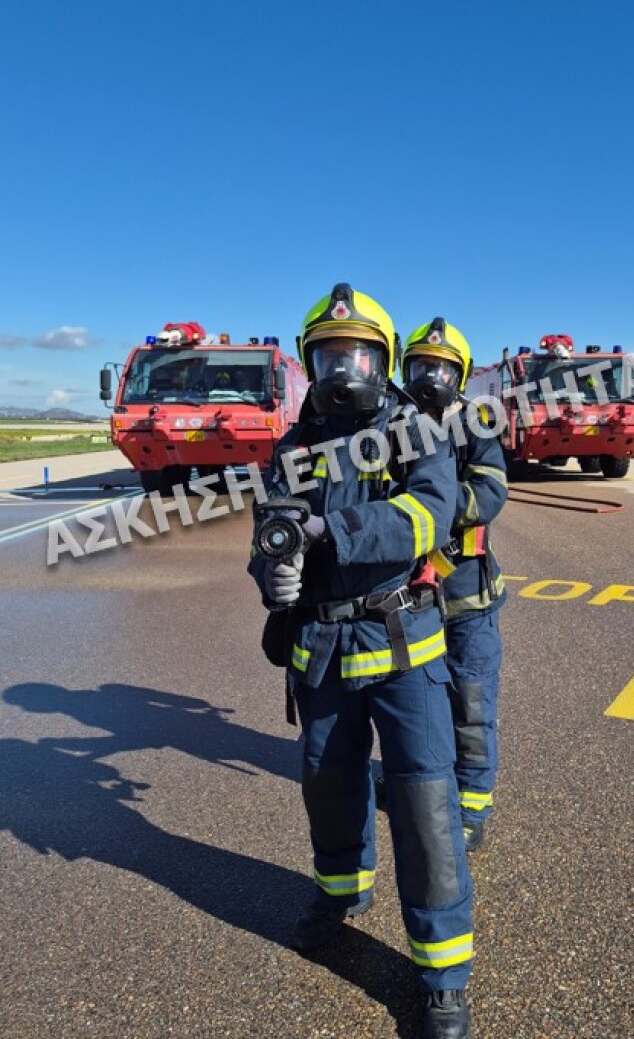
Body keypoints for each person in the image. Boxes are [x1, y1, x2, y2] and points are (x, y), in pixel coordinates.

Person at [248, 283, 474, 1039]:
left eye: (356, 352)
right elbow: (273, 530)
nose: (342, 364)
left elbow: (425, 516)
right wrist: (271, 570)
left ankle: (442, 974)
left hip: (403, 643)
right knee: (328, 782)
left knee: (422, 804)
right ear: (312, 360)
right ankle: (340, 893)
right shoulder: (294, 445)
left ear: (381, 359)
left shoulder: (416, 431)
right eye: (329, 352)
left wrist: (329, 531)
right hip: (320, 645)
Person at [399, 317, 508, 853]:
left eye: (442, 367)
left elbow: (490, 493)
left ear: (460, 374)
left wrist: (433, 507)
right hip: (410, 597)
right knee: (420, 702)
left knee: (470, 699)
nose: (430, 377)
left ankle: (472, 804)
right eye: (421, 366)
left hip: (467, 596)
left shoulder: (477, 425)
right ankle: (431, 786)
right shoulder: (392, 426)